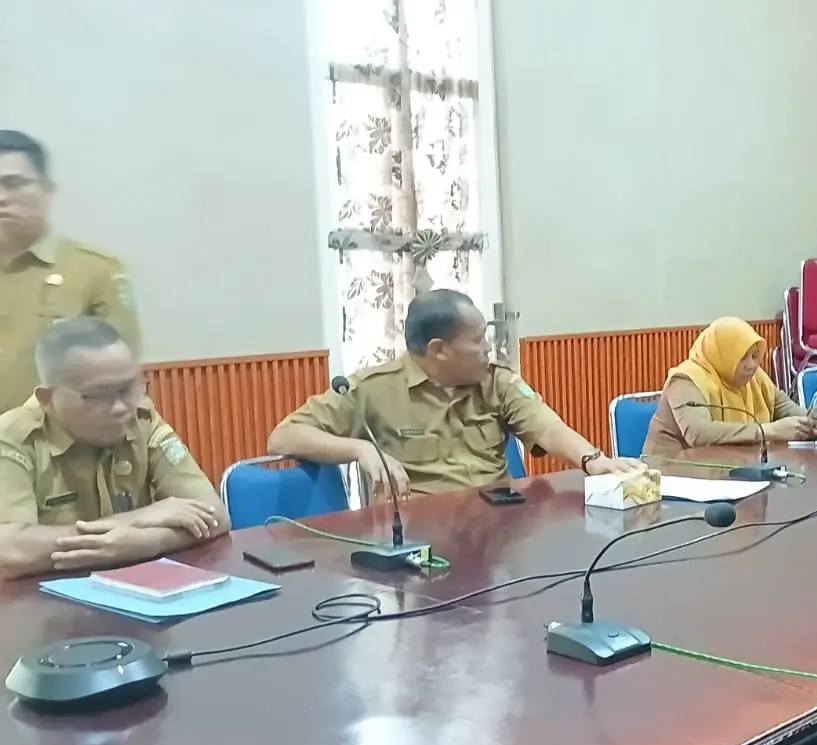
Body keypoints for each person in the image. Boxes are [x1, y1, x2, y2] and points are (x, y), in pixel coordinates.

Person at [269, 289, 644, 497]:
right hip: (421, 540)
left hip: (497, 531)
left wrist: (594, 461)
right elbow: (283, 436)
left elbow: (547, 428)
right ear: (438, 350)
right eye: (478, 340)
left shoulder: (494, 379)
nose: (488, 349)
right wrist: (360, 449)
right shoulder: (372, 389)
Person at [0, 317, 228, 580]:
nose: (121, 407)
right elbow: (10, 550)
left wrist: (147, 542)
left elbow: (215, 514)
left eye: (128, 388)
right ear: (48, 399)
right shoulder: (13, 439)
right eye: (99, 396)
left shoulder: (141, 419)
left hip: (136, 591)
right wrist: (138, 519)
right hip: (39, 606)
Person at [0, 131, 141, 414]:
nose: (2, 197)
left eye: (14, 184)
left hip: (52, 448)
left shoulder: (93, 271)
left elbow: (118, 380)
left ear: (47, 190)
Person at [643, 317, 817, 459]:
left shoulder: (754, 376)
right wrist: (767, 431)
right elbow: (699, 433)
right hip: (673, 474)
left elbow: (782, 406)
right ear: (722, 355)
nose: (751, 365)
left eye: (755, 355)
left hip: (729, 469)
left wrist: (807, 421)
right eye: (741, 358)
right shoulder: (686, 379)